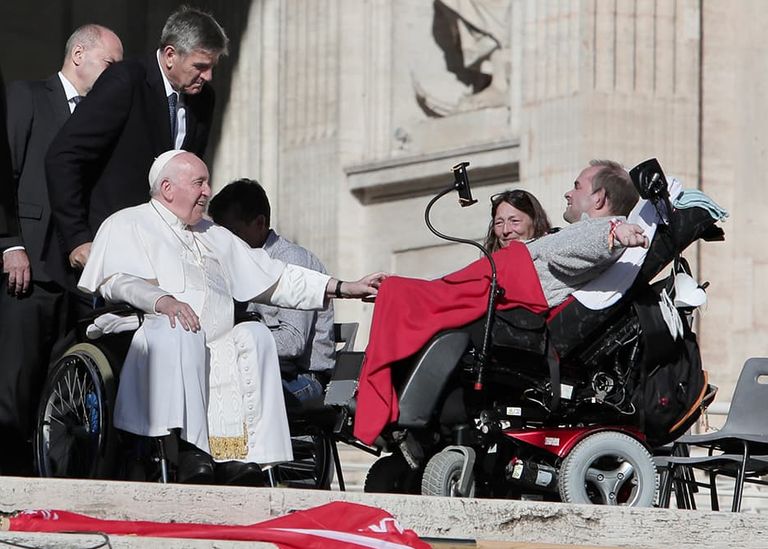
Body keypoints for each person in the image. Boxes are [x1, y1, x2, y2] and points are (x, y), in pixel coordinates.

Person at [78, 150, 385, 485]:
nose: (208, 191)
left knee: (253, 335)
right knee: (183, 331)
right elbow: (117, 281)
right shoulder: (128, 223)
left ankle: (246, 455)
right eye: (199, 182)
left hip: (214, 340)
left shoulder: (214, 234)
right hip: (155, 331)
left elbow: (277, 278)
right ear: (167, 188)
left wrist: (344, 287)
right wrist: (160, 300)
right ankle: (190, 448)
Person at [353, 159, 646, 444]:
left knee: (403, 295)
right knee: (407, 295)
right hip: (506, 278)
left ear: (599, 198)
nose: (568, 193)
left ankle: (378, 403)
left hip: (513, 283)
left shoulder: (603, 227)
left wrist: (615, 234)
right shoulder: (585, 229)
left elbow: (592, 241)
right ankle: (382, 400)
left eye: (577, 186)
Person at [0, 25, 123, 476]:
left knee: (56, 391)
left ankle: (45, 481)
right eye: (109, 64)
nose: (114, 76)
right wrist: (9, 244)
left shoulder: (103, 119)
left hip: (75, 278)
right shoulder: (27, 97)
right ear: (78, 54)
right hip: (26, 269)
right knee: (14, 387)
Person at [45, 6, 226, 276]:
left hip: (164, 252)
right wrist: (77, 239)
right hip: (106, 245)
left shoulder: (203, 99)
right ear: (170, 55)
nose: (208, 76)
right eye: (200, 66)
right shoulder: (126, 80)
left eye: (212, 67)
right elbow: (64, 156)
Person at [208, 179, 334, 402]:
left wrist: (232, 343)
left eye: (233, 232)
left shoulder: (291, 260)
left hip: (301, 378)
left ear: (260, 223)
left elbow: (293, 341)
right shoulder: (234, 263)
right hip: (254, 370)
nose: (226, 243)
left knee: (235, 400)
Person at [484, 189, 551, 252]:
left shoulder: (553, 255)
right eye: (499, 223)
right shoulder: (489, 260)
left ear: (535, 221)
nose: (505, 230)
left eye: (514, 221)